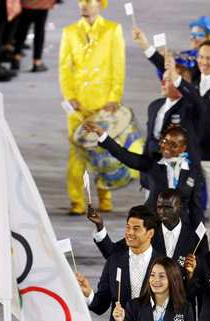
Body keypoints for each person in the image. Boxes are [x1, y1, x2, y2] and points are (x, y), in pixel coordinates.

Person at [137, 31, 210, 236]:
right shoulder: (193, 74)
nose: (203, 62)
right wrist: (145, 45)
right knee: (188, 207)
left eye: (209, 58)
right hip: (189, 158)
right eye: (201, 57)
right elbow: (168, 69)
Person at [59, 0, 129, 214]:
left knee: (103, 152)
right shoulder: (69, 32)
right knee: (77, 152)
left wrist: (114, 96)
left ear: (100, 5)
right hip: (79, 104)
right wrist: (69, 95)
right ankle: (77, 201)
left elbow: (119, 64)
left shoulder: (112, 30)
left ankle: (104, 197)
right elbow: (65, 67)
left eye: (89, 2)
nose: (84, 5)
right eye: (81, 1)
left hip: (104, 104)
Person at [86, 121, 204, 227]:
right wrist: (101, 134)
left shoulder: (193, 171)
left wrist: (199, 238)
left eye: (173, 145)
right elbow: (124, 155)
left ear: (183, 148)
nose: (167, 147)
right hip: (152, 223)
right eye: (164, 142)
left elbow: (196, 208)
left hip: (180, 227)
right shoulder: (152, 163)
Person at [90, 190, 208, 268]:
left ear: (179, 207)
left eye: (168, 207)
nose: (162, 212)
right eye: (159, 207)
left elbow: (203, 274)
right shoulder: (148, 231)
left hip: (183, 304)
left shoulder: (196, 237)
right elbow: (112, 253)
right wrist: (100, 226)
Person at [13, 0, 55, 72]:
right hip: (42, 3)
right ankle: (37, 61)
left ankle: (16, 57)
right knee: (39, 29)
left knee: (23, 28)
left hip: (26, 3)